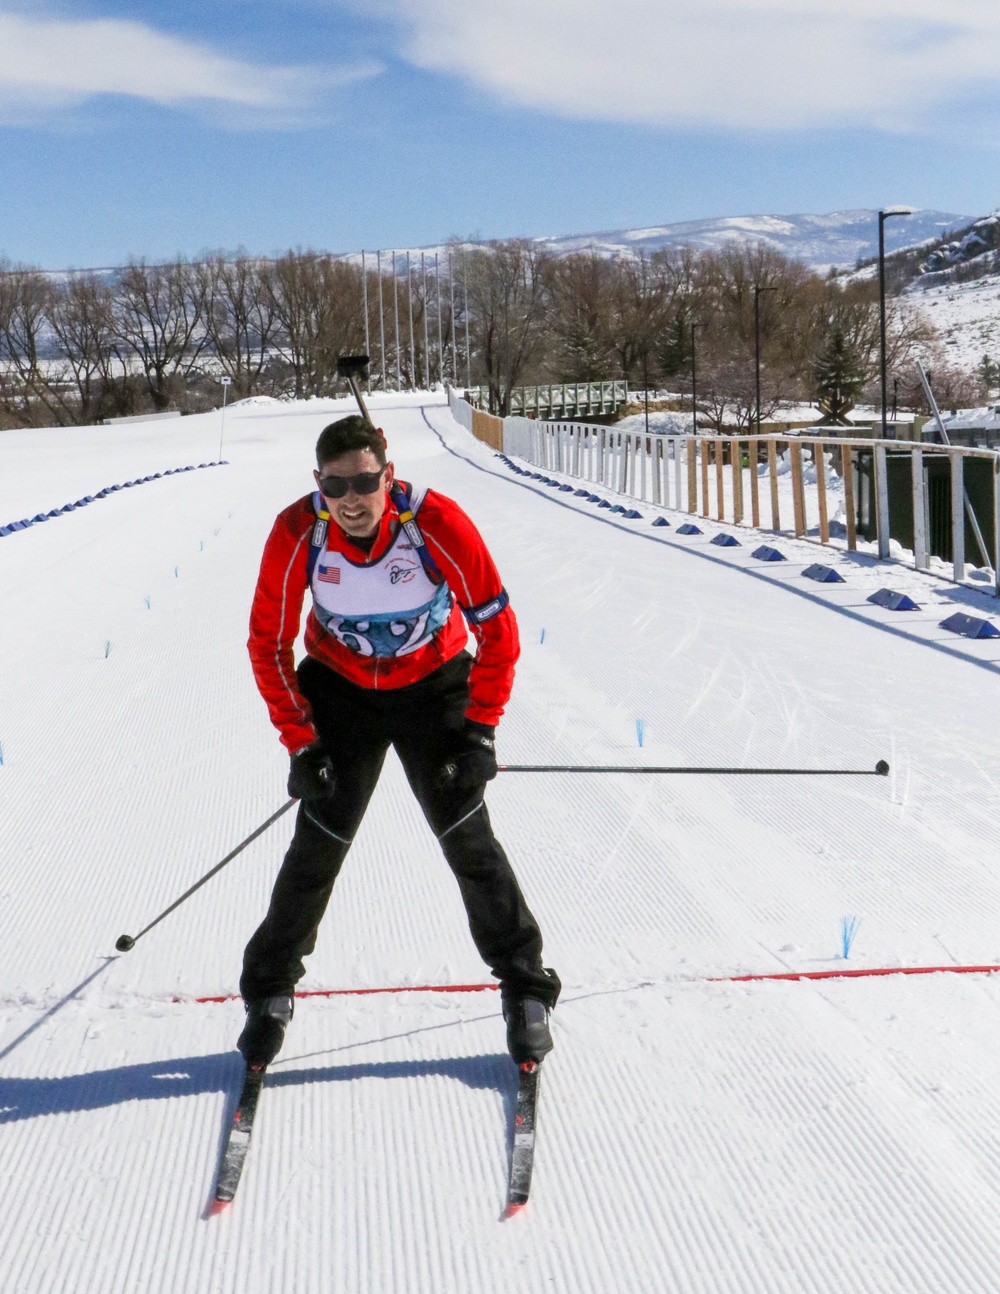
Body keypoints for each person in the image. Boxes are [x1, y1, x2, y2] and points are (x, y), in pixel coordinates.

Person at [238, 413, 560, 1070]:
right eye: (335, 485)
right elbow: (268, 645)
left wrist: (480, 731)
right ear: (317, 484)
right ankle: (269, 991)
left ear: (389, 475)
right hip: (341, 691)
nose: (351, 499)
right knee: (318, 846)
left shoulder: (435, 524)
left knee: (467, 837)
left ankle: (526, 986)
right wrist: (302, 744)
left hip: (430, 687)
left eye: (364, 482)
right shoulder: (299, 531)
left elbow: (497, 630)